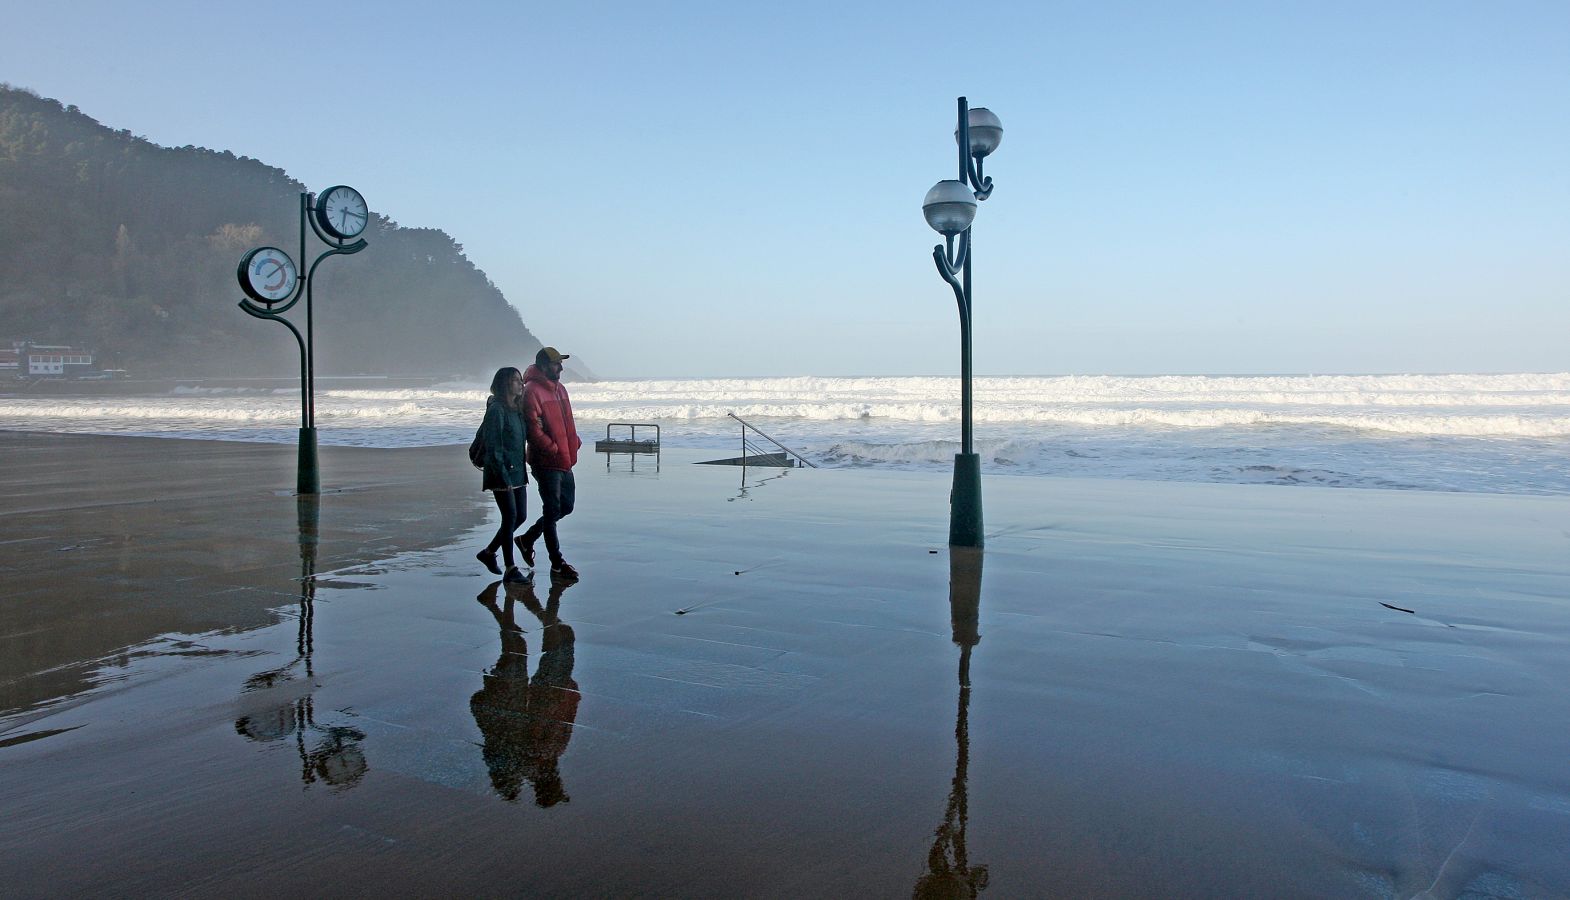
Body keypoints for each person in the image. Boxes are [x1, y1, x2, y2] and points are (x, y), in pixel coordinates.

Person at [515, 347, 583, 580]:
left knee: (566, 507)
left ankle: (527, 538)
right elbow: (533, 430)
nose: (561, 368)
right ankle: (557, 563)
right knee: (552, 510)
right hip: (546, 462)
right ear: (544, 366)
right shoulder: (531, 391)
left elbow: (567, 422)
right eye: (556, 364)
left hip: (565, 458)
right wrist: (553, 448)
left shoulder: (560, 389)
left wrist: (574, 442)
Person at [477, 366, 530, 583]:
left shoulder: (516, 409)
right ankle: (510, 568)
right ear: (505, 383)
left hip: (518, 471)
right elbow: (494, 446)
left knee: (521, 516)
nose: (521, 384)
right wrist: (502, 476)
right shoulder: (496, 410)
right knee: (509, 518)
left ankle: (489, 553)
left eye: (521, 380)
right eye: (516, 380)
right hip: (501, 473)